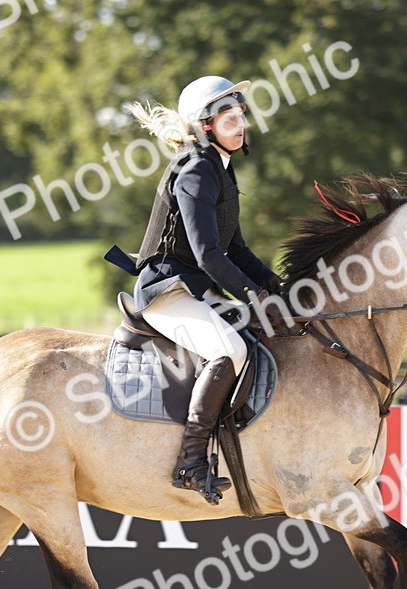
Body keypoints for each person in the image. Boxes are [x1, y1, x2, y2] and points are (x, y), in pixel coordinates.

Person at [127, 75, 283, 505]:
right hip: (168, 292)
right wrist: (254, 296)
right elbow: (210, 256)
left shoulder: (220, 168)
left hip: (194, 288)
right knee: (229, 350)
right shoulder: (196, 170)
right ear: (206, 126)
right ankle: (191, 461)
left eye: (240, 116)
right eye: (229, 118)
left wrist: (275, 285)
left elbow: (237, 248)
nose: (240, 124)